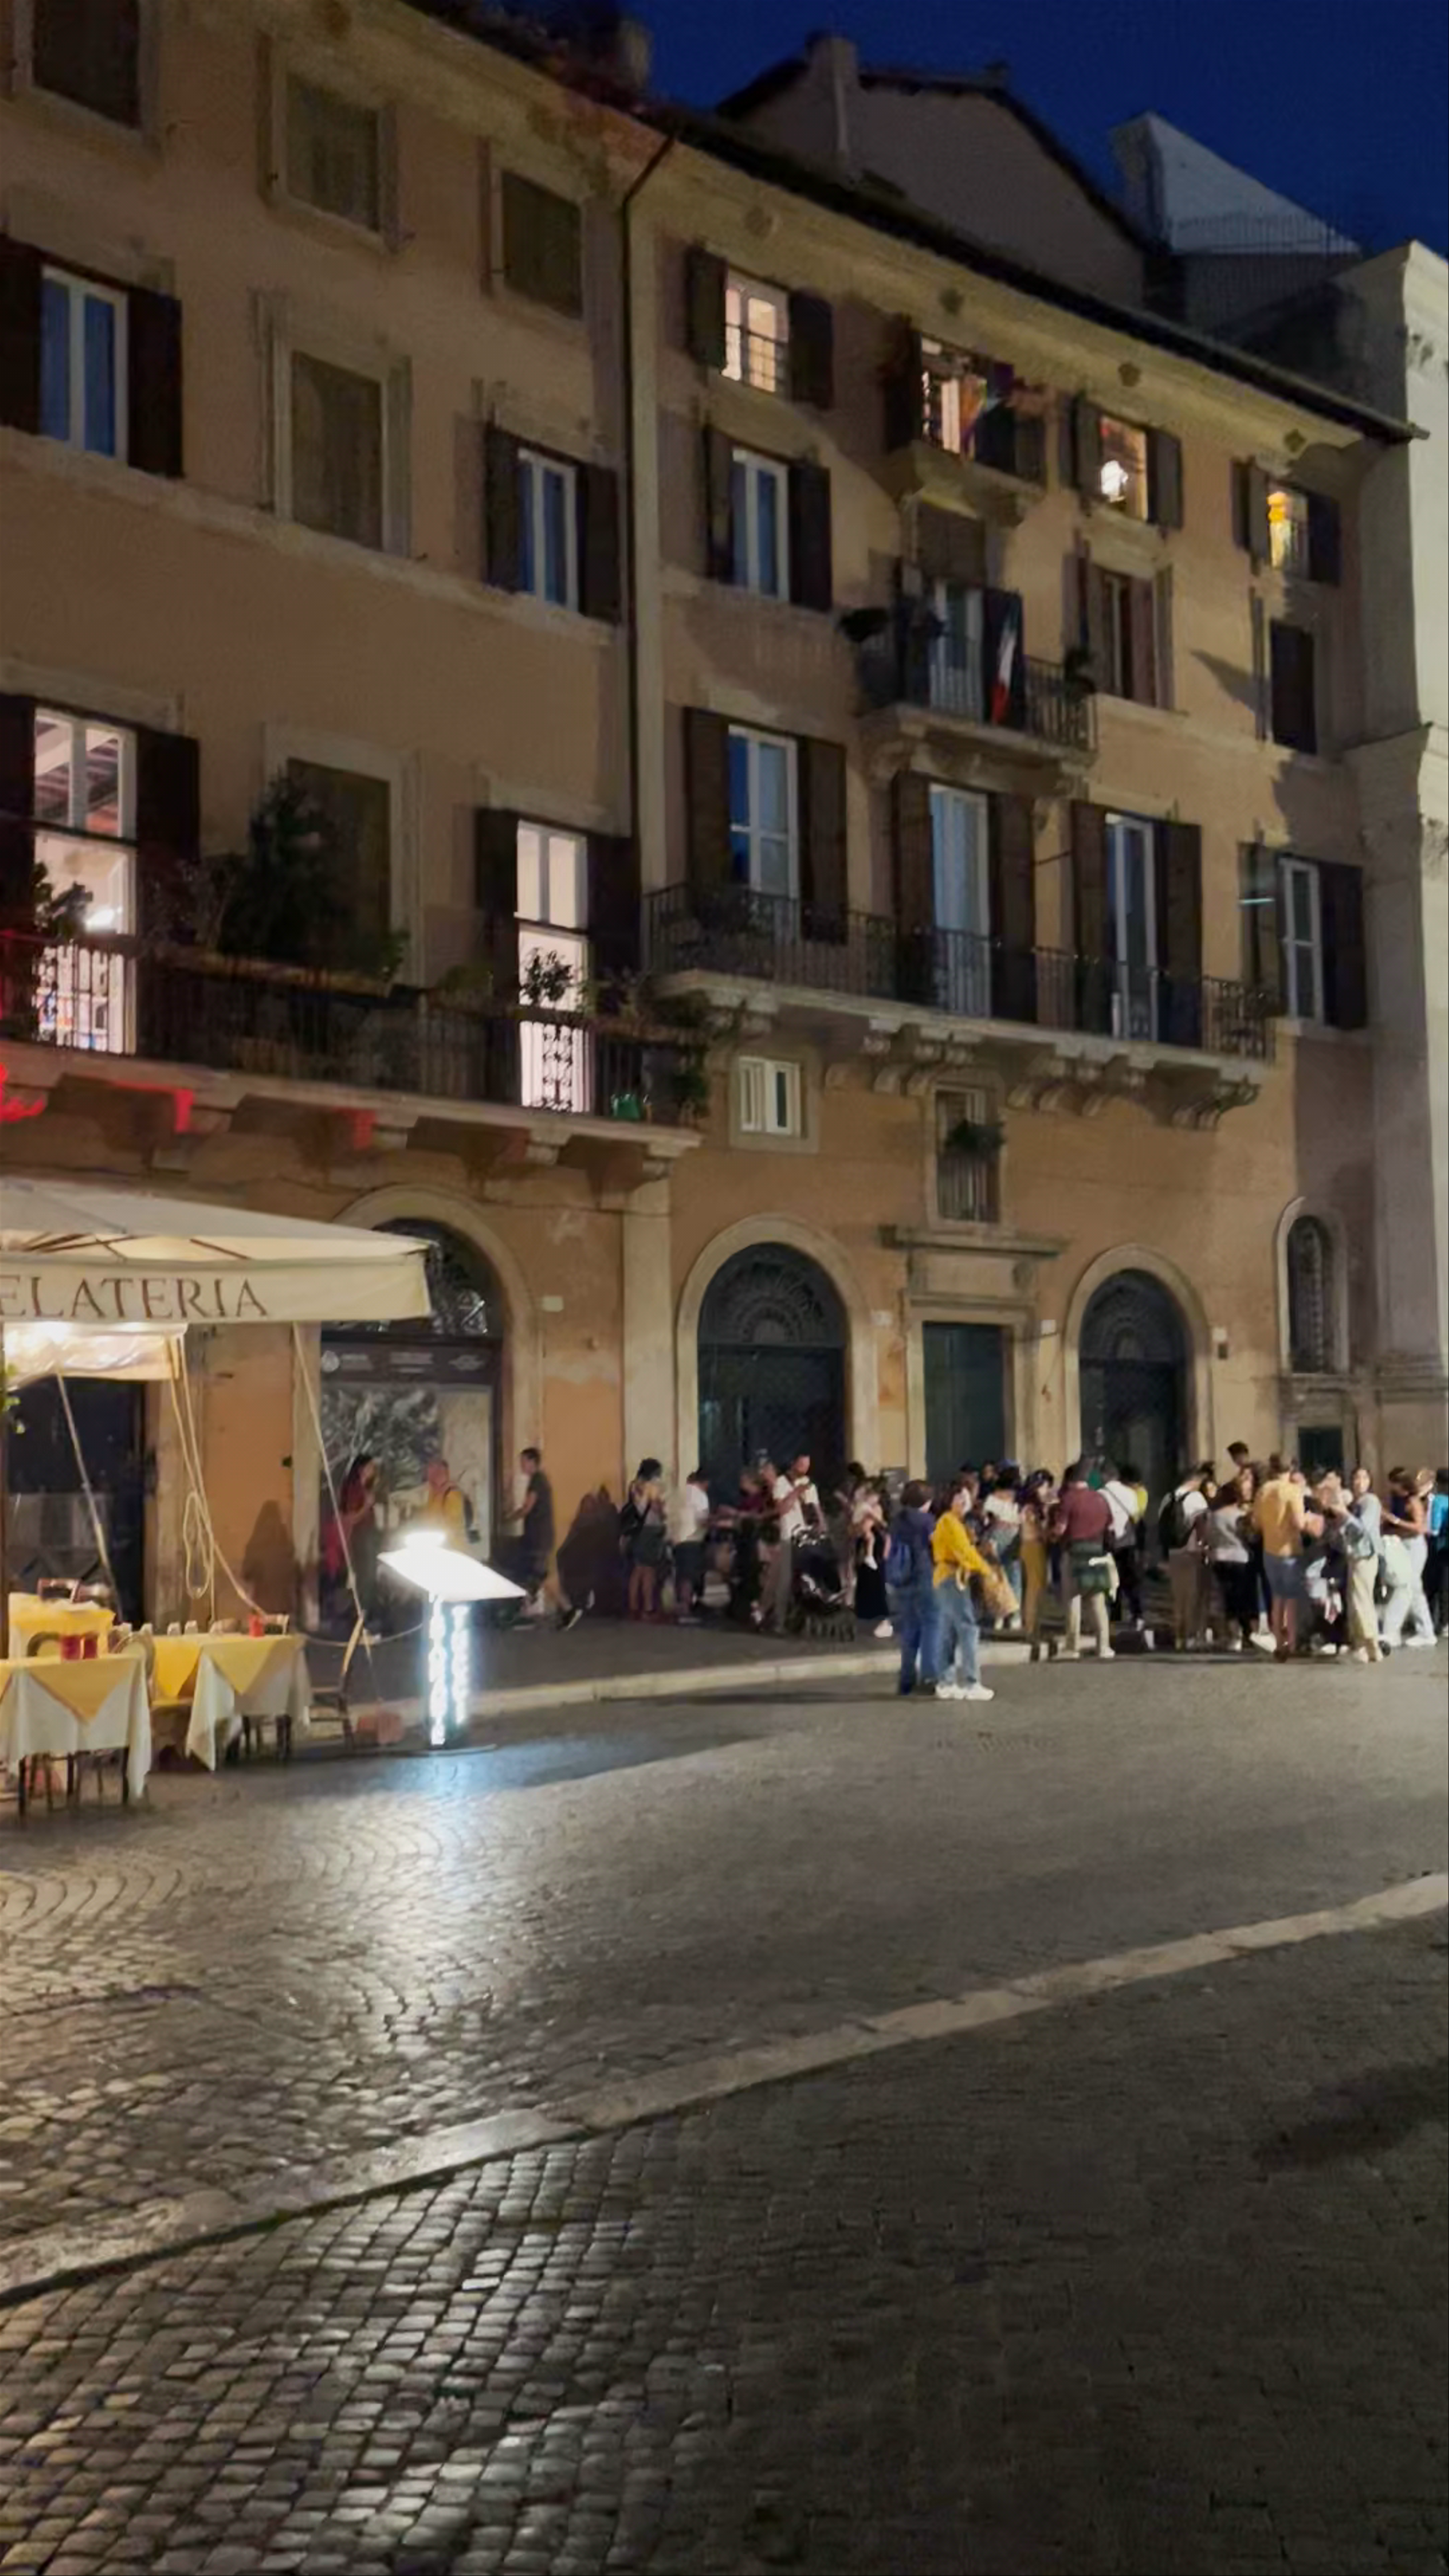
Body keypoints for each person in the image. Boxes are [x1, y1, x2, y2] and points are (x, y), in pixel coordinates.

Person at [931, 1483, 994, 1702]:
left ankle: (946, 1682)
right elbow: (965, 1552)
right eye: (960, 1497)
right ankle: (971, 1681)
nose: (965, 1501)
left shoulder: (952, 1522)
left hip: (947, 1577)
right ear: (950, 1500)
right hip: (952, 1578)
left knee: (949, 1631)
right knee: (968, 1628)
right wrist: (987, 1571)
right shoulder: (950, 1522)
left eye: (967, 1497)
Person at [1253, 1461, 1318, 1661]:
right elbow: (1299, 1523)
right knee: (1291, 1599)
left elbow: (1256, 1523)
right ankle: (1292, 1642)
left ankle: (1279, 1644)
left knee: (1277, 1598)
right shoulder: (1292, 1491)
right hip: (1290, 1550)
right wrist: (1310, 1519)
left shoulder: (1263, 1491)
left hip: (1269, 1549)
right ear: (1290, 1470)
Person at [1049, 1462, 1115, 1661]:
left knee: (1073, 1599)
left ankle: (1073, 1646)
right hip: (1097, 1550)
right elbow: (1110, 1525)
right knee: (1097, 1600)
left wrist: (1049, 1535)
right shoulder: (1101, 1499)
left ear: (1070, 1481)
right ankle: (1104, 1646)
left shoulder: (1068, 1500)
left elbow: (1060, 1529)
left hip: (1075, 1551)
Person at [886, 1480, 940, 1696]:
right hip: (924, 1576)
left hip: (903, 1579)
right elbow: (936, 1545)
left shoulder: (897, 1520)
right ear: (925, 1501)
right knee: (931, 1625)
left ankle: (906, 1680)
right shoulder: (927, 1521)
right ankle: (929, 1676)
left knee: (910, 1628)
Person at [1329, 1470, 1382, 1664]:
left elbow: (1363, 1529)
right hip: (1354, 1555)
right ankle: (1366, 1645)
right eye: (1356, 1478)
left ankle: (1368, 1642)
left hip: (1365, 1555)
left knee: (1360, 1599)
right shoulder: (1356, 1504)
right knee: (1356, 1599)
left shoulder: (1371, 1501)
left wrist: (1344, 1514)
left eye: (1364, 1478)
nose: (1360, 1482)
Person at [764, 1453, 821, 1633]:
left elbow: (816, 1508)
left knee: (808, 1578)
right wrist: (797, 1492)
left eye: (807, 1465)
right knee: (785, 1579)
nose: (805, 1469)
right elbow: (782, 1509)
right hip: (789, 1535)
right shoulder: (782, 1483)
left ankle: (804, 1618)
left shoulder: (809, 1484)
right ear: (793, 1464)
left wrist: (822, 1526)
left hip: (807, 1536)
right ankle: (778, 1621)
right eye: (802, 1465)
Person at [322, 1452, 381, 1626]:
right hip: (360, 1537)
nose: (374, 1471)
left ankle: (363, 1614)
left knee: (367, 1577)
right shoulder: (354, 1488)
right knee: (364, 1578)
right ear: (362, 1469)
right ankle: (360, 1616)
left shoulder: (366, 1487)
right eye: (371, 1467)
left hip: (366, 1535)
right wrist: (367, 1506)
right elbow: (350, 1517)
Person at [1380, 1467, 1436, 1648]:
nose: (1392, 1487)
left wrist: (1395, 1521)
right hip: (1400, 1546)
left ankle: (1392, 1631)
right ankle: (1426, 1632)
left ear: (1402, 1483)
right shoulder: (1396, 1499)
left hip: (1415, 1546)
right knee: (1415, 1589)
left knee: (1407, 1586)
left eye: (1394, 1483)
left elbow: (1420, 1528)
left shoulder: (1413, 1501)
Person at [1163, 1465, 1215, 1649]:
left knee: (1178, 1598)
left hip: (1174, 1552)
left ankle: (1179, 1637)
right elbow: (1203, 1526)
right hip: (1193, 1551)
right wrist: (1206, 1546)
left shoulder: (1167, 1498)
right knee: (1194, 1597)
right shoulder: (1196, 1498)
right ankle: (1193, 1636)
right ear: (1194, 1480)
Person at [1207, 1464, 1258, 1650]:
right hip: (1241, 1559)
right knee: (1244, 1599)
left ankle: (1234, 1637)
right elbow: (1251, 1537)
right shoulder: (1241, 1516)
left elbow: (1209, 1537)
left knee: (1228, 1599)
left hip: (1220, 1558)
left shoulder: (1214, 1516)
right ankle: (1250, 1634)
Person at [1101, 1459, 1148, 1641]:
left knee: (1112, 1581)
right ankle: (1138, 1615)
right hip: (1128, 1541)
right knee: (1132, 1581)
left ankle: (1114, 1616)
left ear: (1105, 1476)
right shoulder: (1130, 1493)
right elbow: (1137, 1516)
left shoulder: (1101, 1494)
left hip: (1109, 1542)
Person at [620, 1458, 667, 1620]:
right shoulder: (652, 1487)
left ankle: (633, 1607)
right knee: (649, 1572)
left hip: (638, 1531)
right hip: (651, 1530)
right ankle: (647, 1608)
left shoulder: (635, 1486)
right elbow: (657, 1508)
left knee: (637, 1571)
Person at [1018, 1470, 1055, 1659]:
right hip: (1033, 1546)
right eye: (1045, 1486)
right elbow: (1038, 1531)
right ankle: (1032, 1628)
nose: (1047, 1490)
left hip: (1032, 1547)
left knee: (1037, 1588)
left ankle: (1034, 1626)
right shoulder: (1032, 1509)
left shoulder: (1029, 1507)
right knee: (1034, 1589)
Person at [981, 1466, 1023, 1627]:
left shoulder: (992, 1499)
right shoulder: (1019, 1499)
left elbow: (986, 1521)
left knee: (997, 1579)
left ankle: (999, 1616)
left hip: (995, 1539)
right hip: (1014, 1538)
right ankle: (1015, 1617)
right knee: (1015, 1578)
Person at [668, 1468, 712, 1621]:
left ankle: (680, 1606)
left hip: (676, 1540)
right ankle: (686, 1610)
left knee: (680, 1575)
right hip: (693, 1539)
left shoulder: (676, 1494)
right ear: (705, 1483)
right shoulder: (700, 1496)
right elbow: (703, 1520)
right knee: (689, 1576)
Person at [851, 1476, 891, 1638]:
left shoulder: (876, 1508)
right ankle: (866, 1609)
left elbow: (881, 1527)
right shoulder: (864, 1507)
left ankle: (876, 1609)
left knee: (876, 1576)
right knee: (866, 1575)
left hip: (876, 1545)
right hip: (866, 1542)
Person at [1429, 1468, 1449, 1638]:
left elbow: (1435, 1528)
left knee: (1442, 1586)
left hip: (1442, 1548)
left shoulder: (1439, 1501)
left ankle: (1444, 1622)